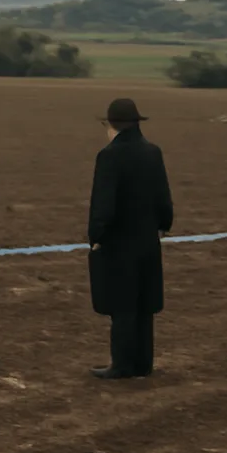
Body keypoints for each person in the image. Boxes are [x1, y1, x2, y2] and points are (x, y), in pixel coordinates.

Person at [88, 98, 174, 380]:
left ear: (111, 124)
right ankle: (143, 363)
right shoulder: (153, 152)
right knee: (144, 304)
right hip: (148, 241)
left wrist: (97, 236)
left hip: (119, 243)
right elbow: (164, 198)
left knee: (122, 305)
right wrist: (162, 226)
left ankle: (122, 364)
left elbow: (104, 205)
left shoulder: (109, 156)